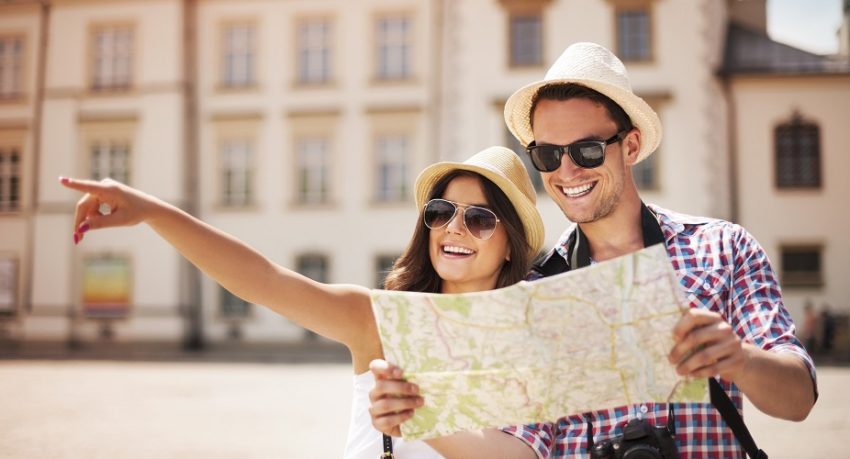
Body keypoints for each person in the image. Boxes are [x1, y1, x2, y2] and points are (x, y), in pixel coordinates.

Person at [368, 42, 818, 457]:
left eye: (586, 150)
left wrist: (739, 359)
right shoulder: (532, 290)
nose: (566, 171)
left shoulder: (724, 248)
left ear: (632, 146)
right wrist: (417, 414)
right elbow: (522, 449)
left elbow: (798, 399)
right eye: (547, 154)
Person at [59, 145, 545, 459]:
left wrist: (420, 415)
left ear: (510, 244)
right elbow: (263, 280)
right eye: (441, 212)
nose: (455, 228)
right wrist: (150, 210)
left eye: (479, 218)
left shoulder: (527, 342)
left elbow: (520, 455)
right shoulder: (383, 320)